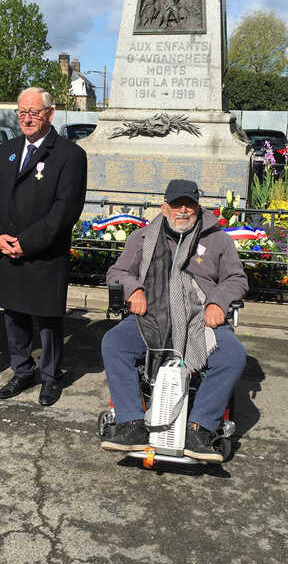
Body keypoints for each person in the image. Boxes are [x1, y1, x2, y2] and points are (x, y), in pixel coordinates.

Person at [99, 180, 249, 462]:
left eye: (189, 204)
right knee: (114, 342)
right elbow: (117, 272)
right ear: (164, 207)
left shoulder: (218, 239)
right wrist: (134, 289)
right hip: (152, 316)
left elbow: (236, 278)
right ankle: (131, 424)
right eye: (176, 204)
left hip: (200, 317)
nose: (183, 210)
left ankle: (200, 428)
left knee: (232, 354)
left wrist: (218, 301)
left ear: (198, 207)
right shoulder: (142, 238)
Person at [0, 87, 88, 406]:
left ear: (50, 114)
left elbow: (64, 210)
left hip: (43, 251)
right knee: (13, 314)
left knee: (48, 320)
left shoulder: (70, 155)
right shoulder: (7, 150)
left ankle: (51, 377)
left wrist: (25, 243)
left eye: (34, 112)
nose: (26, 118)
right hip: (6, 248)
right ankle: (22, 370)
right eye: (22, 112)